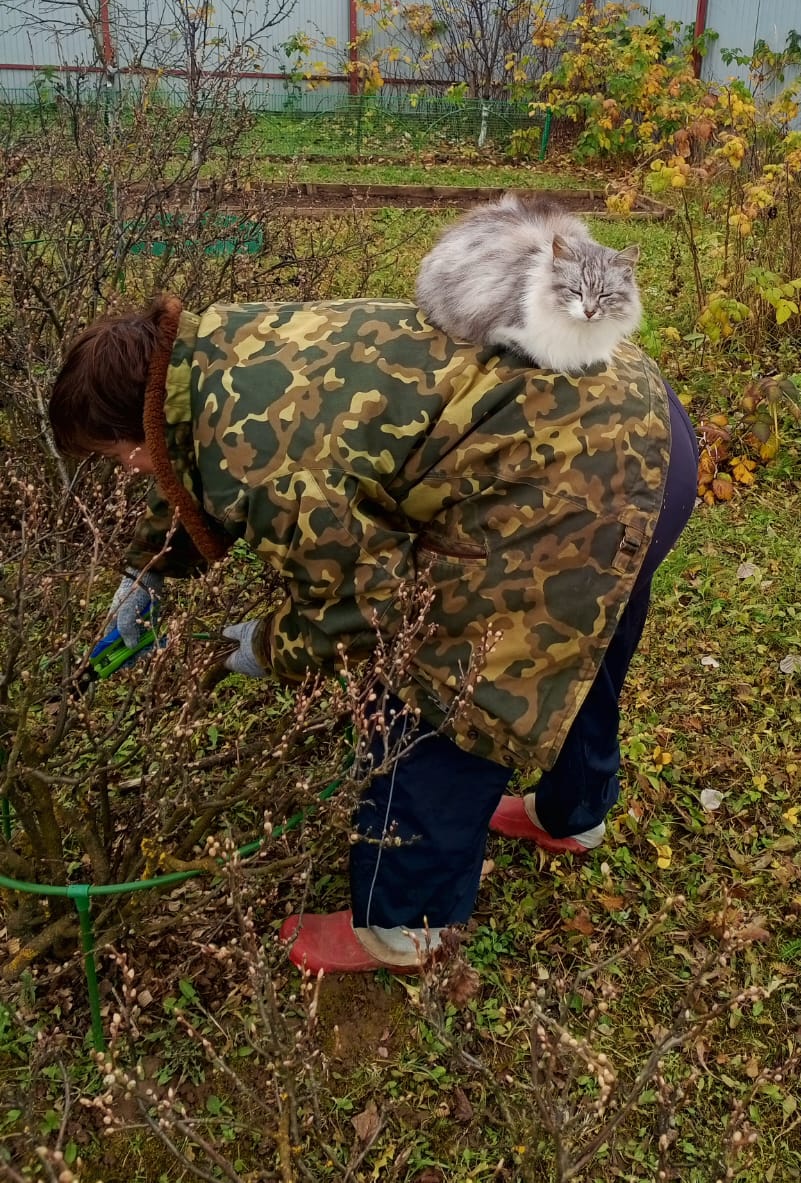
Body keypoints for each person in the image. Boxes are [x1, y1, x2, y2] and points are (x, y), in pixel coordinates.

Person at [49, 294, 698, 975]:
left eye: (119, 453)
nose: (127, 469)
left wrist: (267, 646)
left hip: (580, 479)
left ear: (143, 418)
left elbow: (362, 607)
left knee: (444, 676)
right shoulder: (219, 349)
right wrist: (148, 569)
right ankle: (573, 812)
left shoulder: (267, 455)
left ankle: (402, 925)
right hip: (637, 421)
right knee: (574, 623)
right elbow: (191, 454)